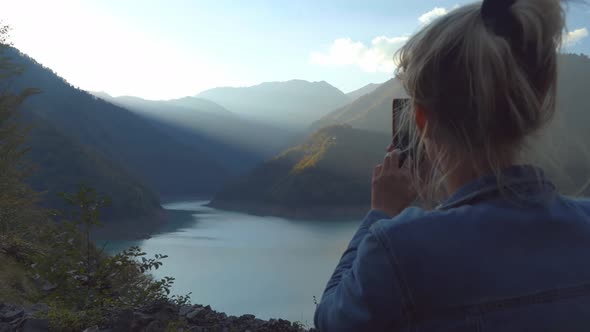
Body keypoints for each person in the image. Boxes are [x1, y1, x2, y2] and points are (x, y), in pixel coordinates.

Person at [314, 0, 590, 331]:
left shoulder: (397, 250)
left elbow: (331, 320)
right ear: (534, 109)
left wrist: (381, 213)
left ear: (421, 119)